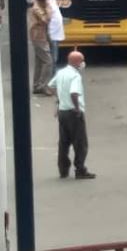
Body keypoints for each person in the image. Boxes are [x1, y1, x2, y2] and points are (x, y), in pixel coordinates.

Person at [48, 51, 95, 179]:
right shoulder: (75, 76)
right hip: (73, 113)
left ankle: (63, 169)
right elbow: (74, 93)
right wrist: (77, 108)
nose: (83, 63)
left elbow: (50, 86)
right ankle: (80, 169)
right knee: (80, 143)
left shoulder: (61, 72)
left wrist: (59, 98)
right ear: (76, 62)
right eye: (82, 61)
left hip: (62, 112)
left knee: (64, 142)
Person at [30, 0, 53, 96]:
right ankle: (43, 85)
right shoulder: (37, 9)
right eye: (46, 0)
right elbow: (46, 19)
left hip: (41, 36)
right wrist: (48, 9)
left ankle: (36, 85)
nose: (48, 2)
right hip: (38, 37)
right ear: (42, 0)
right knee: (48, 61)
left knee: (39, 62)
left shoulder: (40, 6)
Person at [44, 0, 65, 74]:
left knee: (54, 55)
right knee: (53, 56)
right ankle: (53, 75)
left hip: (55, 32)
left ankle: (54, 72)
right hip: (52, 32)